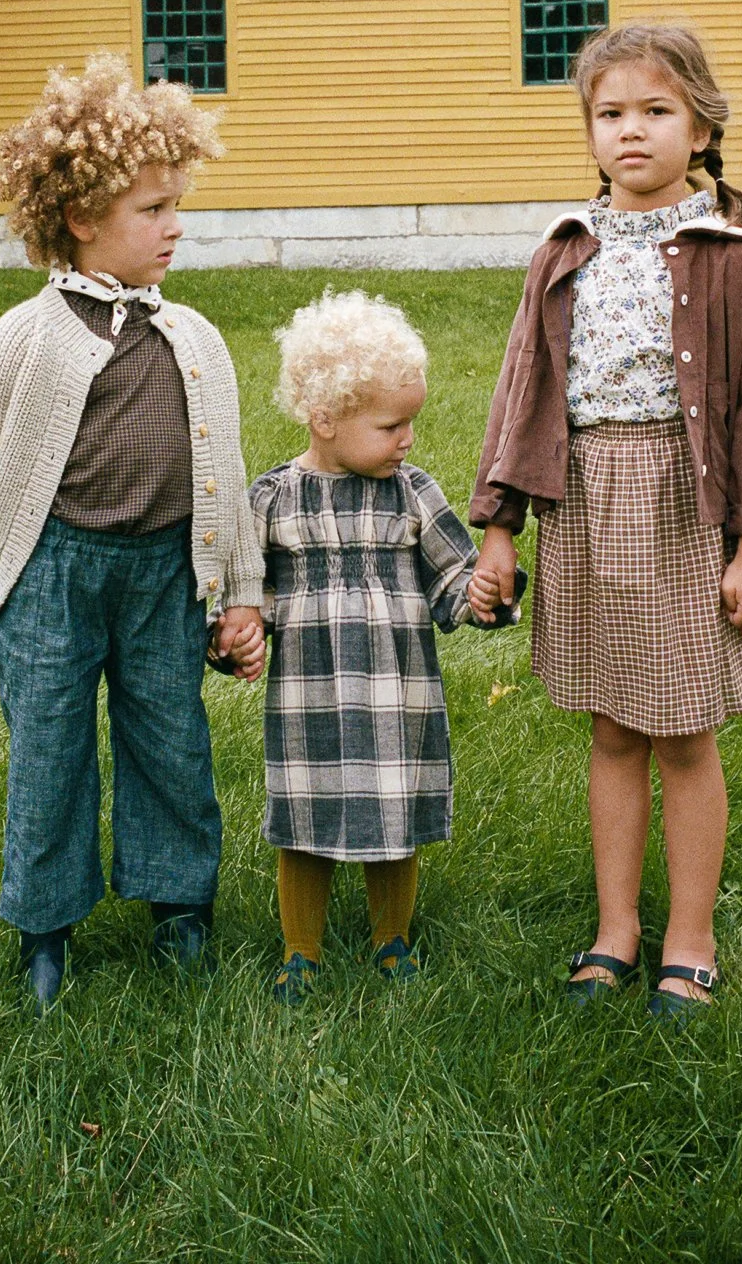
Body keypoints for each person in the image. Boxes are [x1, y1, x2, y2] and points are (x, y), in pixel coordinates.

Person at [0, 55, 266, 1012]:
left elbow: (225, 479)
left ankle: (179, 907)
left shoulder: (194, 339)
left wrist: (241, 595)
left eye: (175, 205)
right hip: (55, 574)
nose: (175, 226)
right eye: (153, 210)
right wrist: (27, 460)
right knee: (51, 744)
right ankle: (45, 926)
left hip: (167, 574)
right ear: (80, 220)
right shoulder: (31, 335)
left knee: (169, 738)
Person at [470, 23, 742, 1021]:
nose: (631, 131)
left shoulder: (733, 257)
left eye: (656, 110)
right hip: (582, 503)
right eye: (610, 113)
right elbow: (523, 386)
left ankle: (688, 939)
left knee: (684, 730)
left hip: (679, 502)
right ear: (590, 131)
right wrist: (499, 525)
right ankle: (617, 928)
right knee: (614, 726)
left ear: (699, 126)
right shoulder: (563, 249)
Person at [251, 289, 516, 1007]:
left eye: (411, 423)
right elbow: (252, 594)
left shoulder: (411, 493)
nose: (406, 440)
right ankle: (299, 951)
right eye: (390, 425)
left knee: (394, 815)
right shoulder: (274, 498)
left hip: (396, 693)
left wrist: (483, 593)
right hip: (309, 695)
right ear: (324, 418)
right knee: (304, 819)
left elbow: (452, 575)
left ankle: (390, 941)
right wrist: (239, 632)